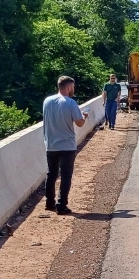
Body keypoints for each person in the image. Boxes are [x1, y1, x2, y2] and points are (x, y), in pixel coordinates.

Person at [43, 76, 88, 214]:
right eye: (73, 87)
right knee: (66, 174)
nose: (73, 90)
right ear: (68, 87)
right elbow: (79, 123)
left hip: (51, 144)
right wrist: (84, 116)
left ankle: (49, 202)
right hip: (67, 145)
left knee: (51, 174)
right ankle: (61, 205)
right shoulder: (70, 103)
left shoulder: (47, 101)